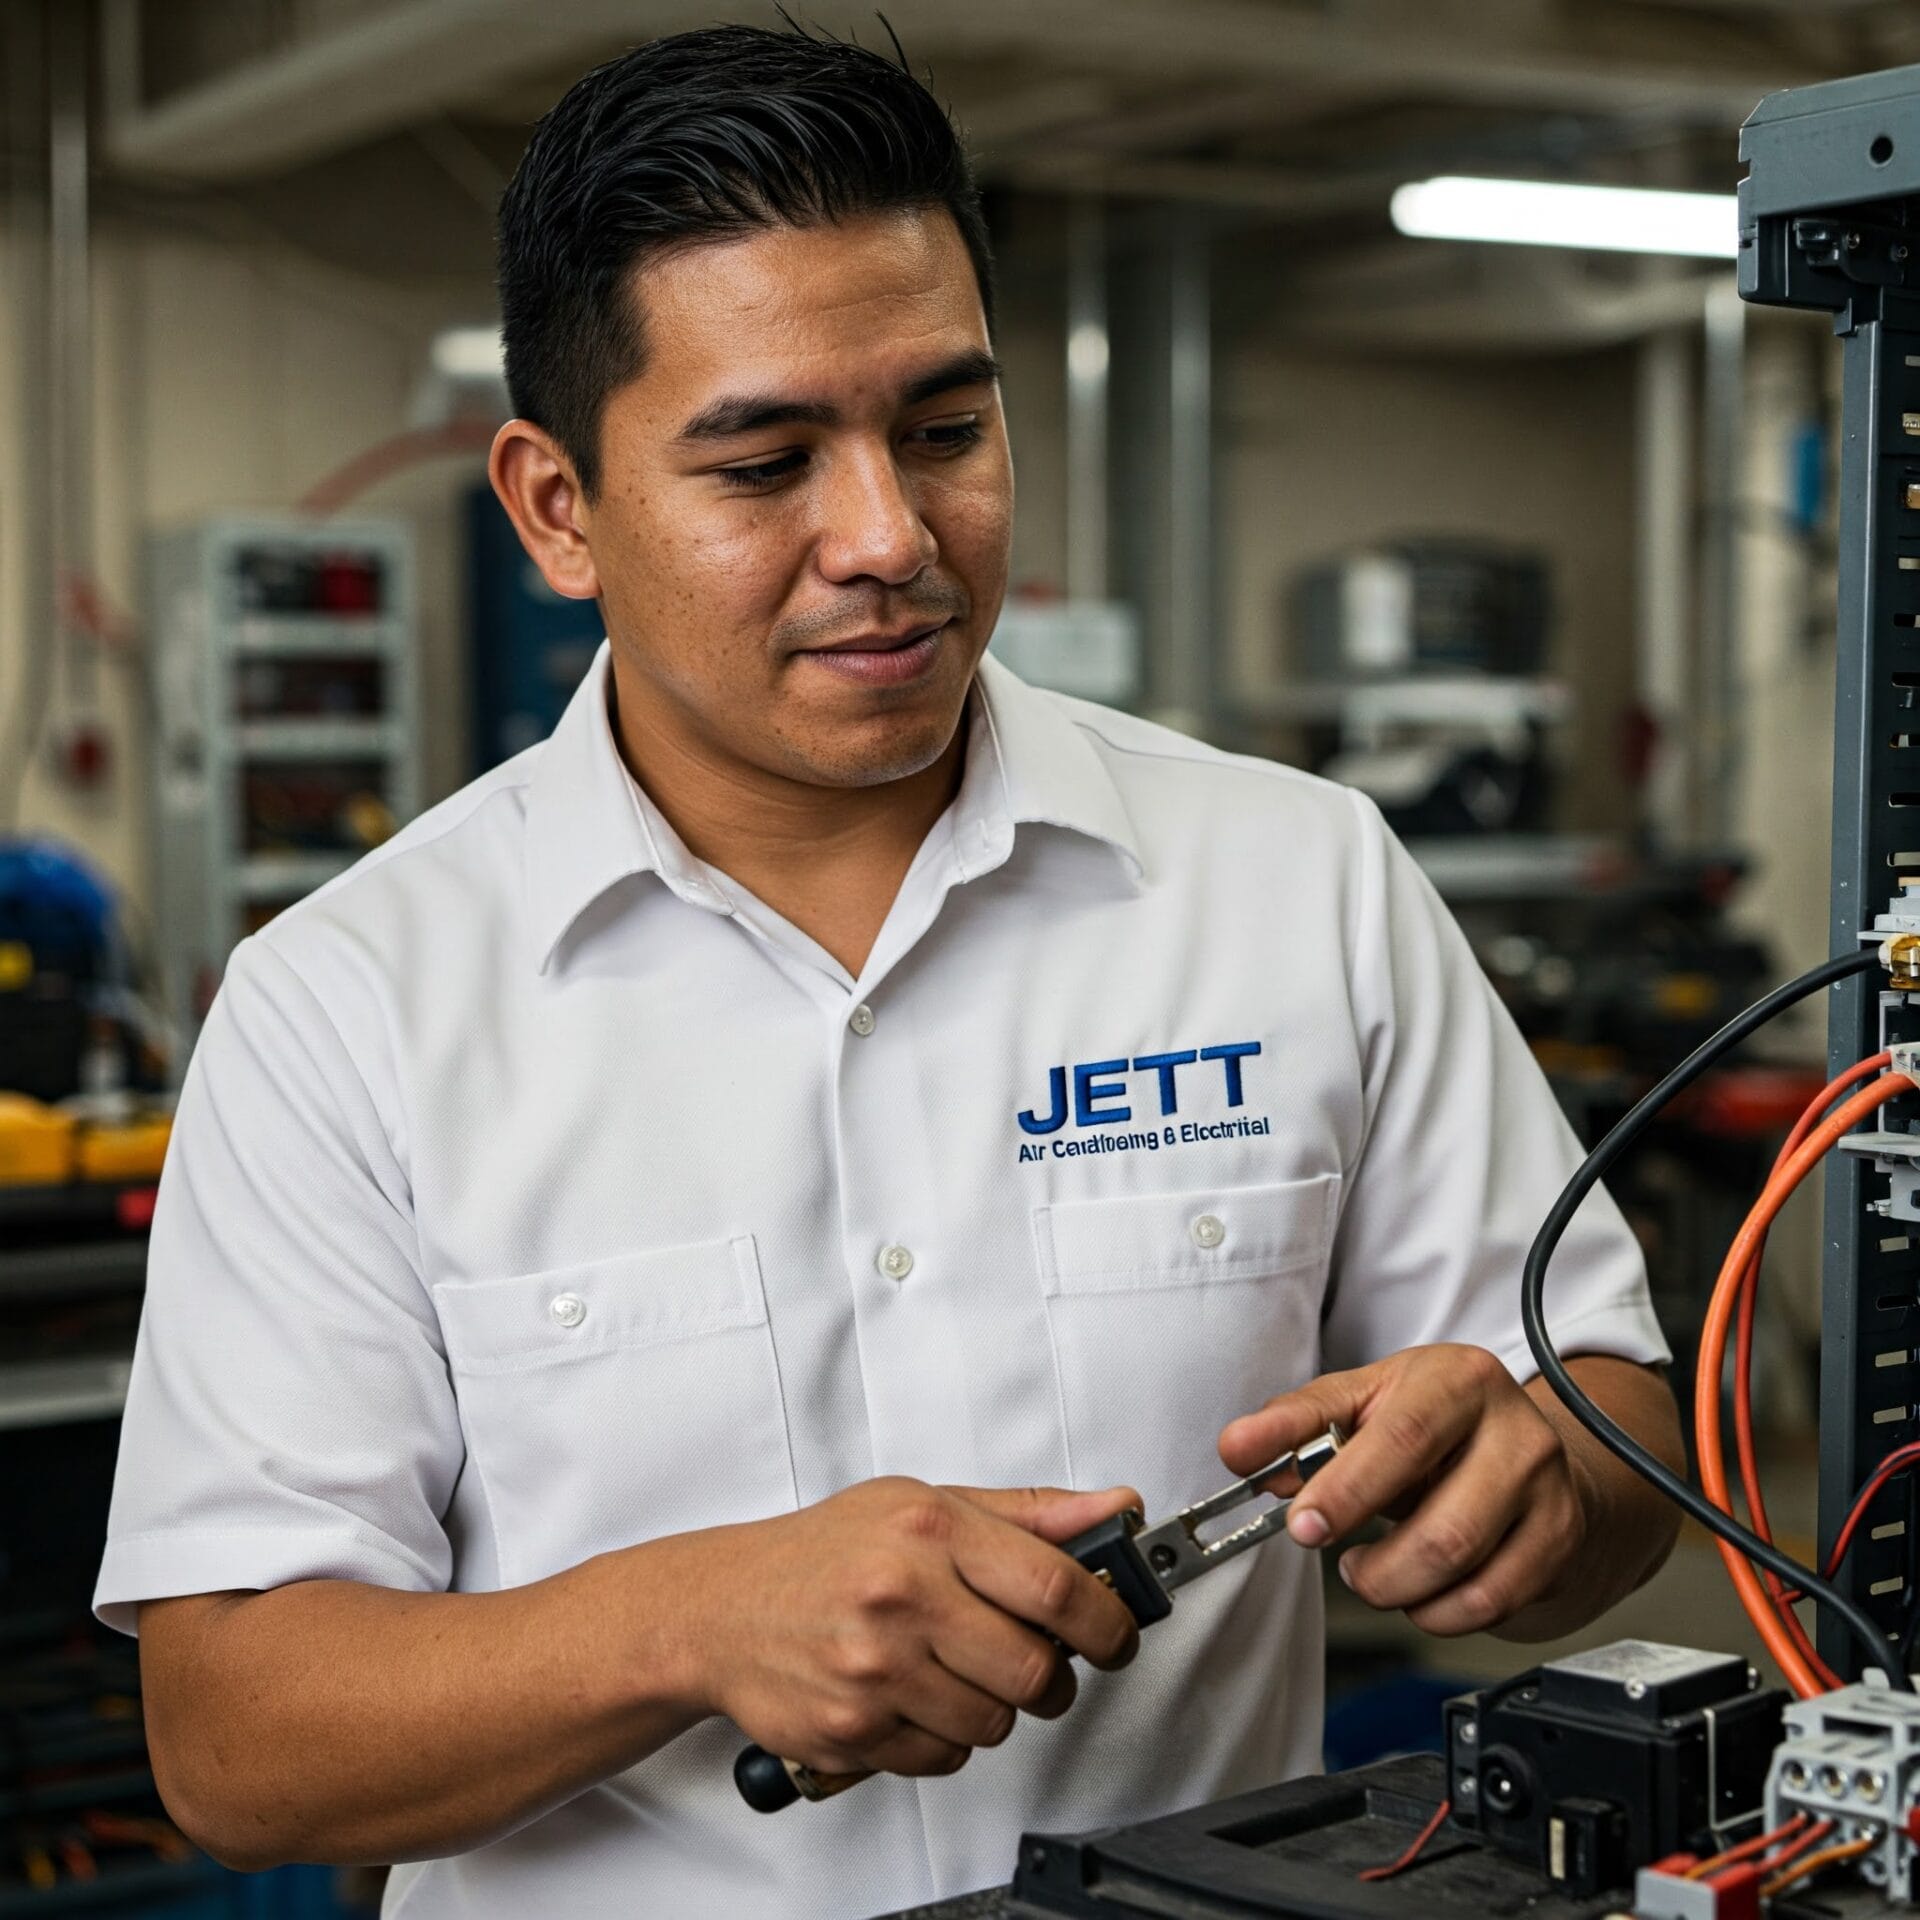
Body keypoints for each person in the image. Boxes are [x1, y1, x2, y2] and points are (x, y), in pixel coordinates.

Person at [98, 23, 1684, 1919]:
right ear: (556, 509)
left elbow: (1615, 1435)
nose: (891, 538)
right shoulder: (348, 1004)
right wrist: (686, 1620)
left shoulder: (1298, 881)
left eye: (945, 432)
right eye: (766, 462)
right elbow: (235, 1741)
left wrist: (1538, 1479)